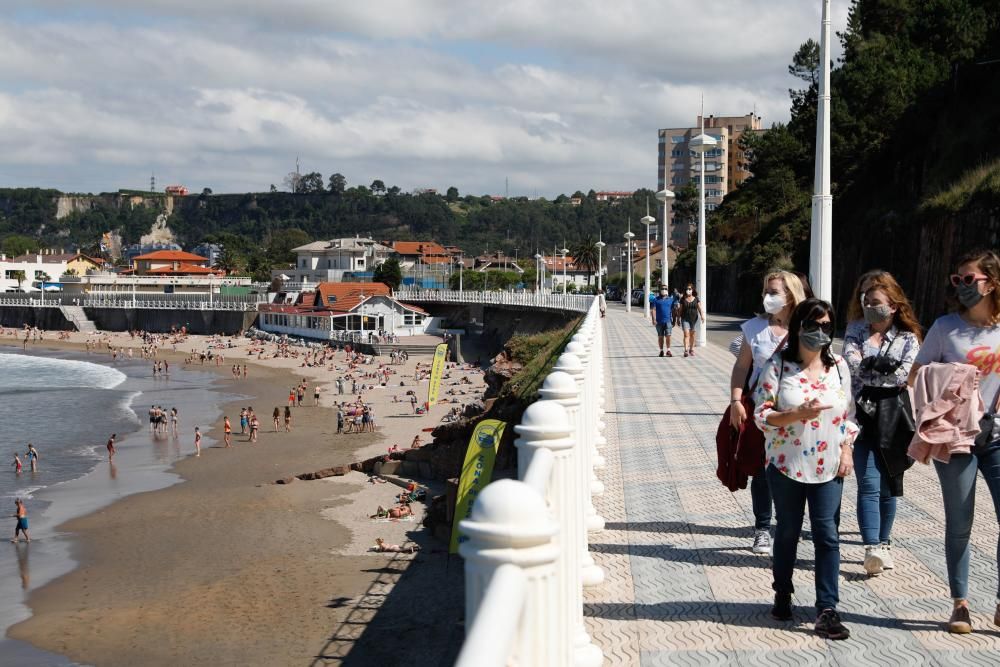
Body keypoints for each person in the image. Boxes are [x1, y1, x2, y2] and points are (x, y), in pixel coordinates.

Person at [907, 249, 1000, 634]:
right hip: (955, 437)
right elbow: (915, 376)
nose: (961, 286)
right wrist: (951, 375)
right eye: (957, 280)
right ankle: (960, 603)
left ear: (992, 283)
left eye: (969, 279)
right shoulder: (945, 327)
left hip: (997, 433)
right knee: (960, 522)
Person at [754, 298, 857, 639]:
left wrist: (847, 450)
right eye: (813, 325)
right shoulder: (779, 366)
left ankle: (827, 608)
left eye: (827, 326)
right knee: (788, 531)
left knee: (827, 534)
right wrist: (795, 415)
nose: (819, 332)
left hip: (829, 464)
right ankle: (782, 591)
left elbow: (848, 415)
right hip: (787, 464)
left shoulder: (839, 366)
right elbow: (762, 414)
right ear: (799, 326)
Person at [842, 270, 921, 576]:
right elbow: (852, 365)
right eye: (865, 301)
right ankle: (872, 546)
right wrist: (881, 369)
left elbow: (906, 374)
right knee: (868, 484)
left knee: (890, 485)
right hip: (861, 414)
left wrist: (871, 366)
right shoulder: (855, 329)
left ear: (893, 304)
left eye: (876, 301)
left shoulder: (908, 337)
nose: (869, 306)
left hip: (895, 417)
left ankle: (885, 543)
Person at [729, 270, 806, 555]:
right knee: (762, 472)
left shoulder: (805, 327)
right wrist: (736, 400)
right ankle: (763, 528)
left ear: (790, 295)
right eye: (766, 291)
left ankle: (789, 526)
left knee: (794, 470)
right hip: (762, 410)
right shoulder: (754, 328)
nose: (767, 297)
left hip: (797, 411)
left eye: (774, 292)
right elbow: (741, 367)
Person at [650, 285, 677, 357]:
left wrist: (674, 320)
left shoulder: (671, 300)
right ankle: (661, 350)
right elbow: (653, 310)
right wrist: (653, 319)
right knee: (660, 337)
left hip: (668, 321)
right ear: (660, 290)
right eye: (662, 288)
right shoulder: (656, 299)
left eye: (665, 289)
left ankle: (668, 350)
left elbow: (674, 311)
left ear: (667, 290)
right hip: (659, 322)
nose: (664, 290)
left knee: (668, 335)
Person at [680, 283, 704, 357]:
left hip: (694, 319)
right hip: (685, 318)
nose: (688, 290)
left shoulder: (696, 299)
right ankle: (686, 350)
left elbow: (699, 308)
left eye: (690, 289)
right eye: (687, 289)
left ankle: (691, 349)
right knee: (686, 334)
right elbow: (680, 310)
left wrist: (702, 316)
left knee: (692, 335)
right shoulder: (683, 299)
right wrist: (678, 318)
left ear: (692, 290)